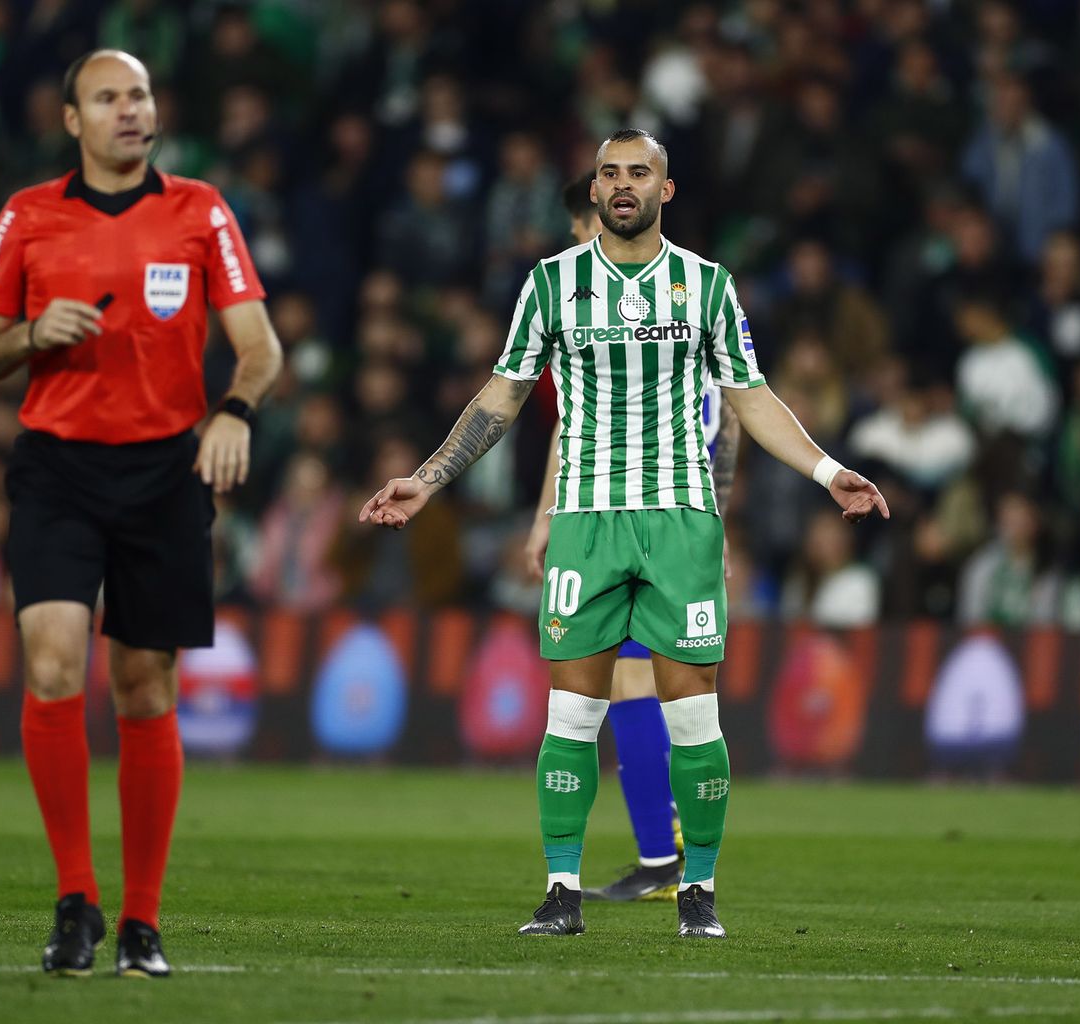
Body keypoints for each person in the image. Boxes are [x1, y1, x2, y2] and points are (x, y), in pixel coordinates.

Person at [362, 129, 888, 940]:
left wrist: (827, 472)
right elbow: (501, 396)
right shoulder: (550, 284)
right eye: (609, 173)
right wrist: (428, 480)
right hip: (585, 522)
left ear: (665, 191)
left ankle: (698, 892)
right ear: (595, 190)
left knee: (692, 719)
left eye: (638, 172)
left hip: (680, 522)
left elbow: (750, 400)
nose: (622, 185)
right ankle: (561, 891)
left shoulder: (707, 286)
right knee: (571, 717)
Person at [0, 50, 282, 978]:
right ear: (72, 121)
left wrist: (234, 411)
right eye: (108, 98)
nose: (130, 110)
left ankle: (142, 921)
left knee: (144, 689)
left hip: (164, 473)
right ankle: (74, 901)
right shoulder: (27, 215)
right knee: (53, 662)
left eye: (139, 94)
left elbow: (259, 348)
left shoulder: (200, 210)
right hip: (57, 469)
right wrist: (28, 333)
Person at [521, 174, 741, 903]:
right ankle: (661, 853)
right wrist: (547, 514)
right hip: (603, 515)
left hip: (662, 516)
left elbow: (731, 408)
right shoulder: (579, 295)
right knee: (620, 686)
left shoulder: (681, 293)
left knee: (640, 684)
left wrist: (713, 513)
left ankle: (668, 854)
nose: (578, 243)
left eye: (580, 228)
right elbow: (573, 423)